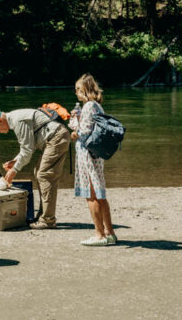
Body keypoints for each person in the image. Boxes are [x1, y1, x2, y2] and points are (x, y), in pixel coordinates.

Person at [0, 103, 71, 229]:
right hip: (56, 137)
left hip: (56, 137)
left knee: (44, 175)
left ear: (0, 121)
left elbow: (27, 150)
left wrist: (13, 171)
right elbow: (28, 148)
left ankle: (47, 220)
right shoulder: (15, 119)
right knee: (39, 172)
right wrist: (14, 161)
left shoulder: (18, 121)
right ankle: (44, 215)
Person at [71, 74, 117, 246]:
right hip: (96, 155)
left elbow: (83, 133)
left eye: (77, 89)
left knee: (91, 195)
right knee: (100, 193)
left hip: (87, 155)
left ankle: (99, 235)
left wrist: (75, 131)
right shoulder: (96, 106)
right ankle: (109, 233)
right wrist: (77, 119)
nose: (76, 93)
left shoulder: (89, 106)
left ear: (84, 89)